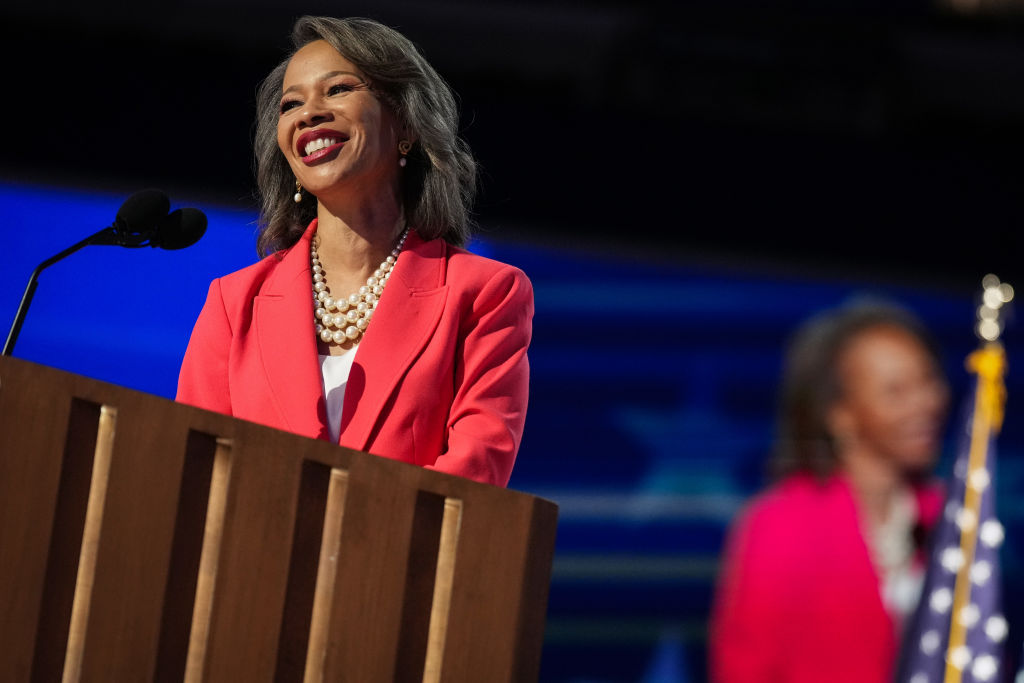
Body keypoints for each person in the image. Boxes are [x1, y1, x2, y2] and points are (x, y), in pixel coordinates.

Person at [176, 17, 532, 487]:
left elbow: (474, 473)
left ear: (405, 120)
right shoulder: (233, 303)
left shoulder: (484, 295)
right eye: (291, 104)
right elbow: (195, 468)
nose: (308, 114)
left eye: (337, 89)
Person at [710, 301, 950, 682]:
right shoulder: (779, 526)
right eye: (896, 391)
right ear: (839, 413)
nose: (926, 402)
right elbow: (744, 671)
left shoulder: (949, 513)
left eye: (928, 381)